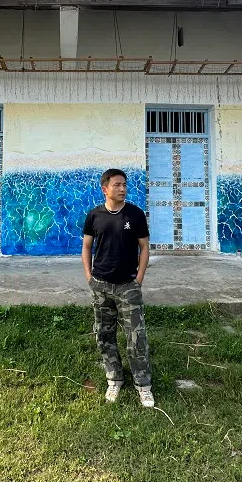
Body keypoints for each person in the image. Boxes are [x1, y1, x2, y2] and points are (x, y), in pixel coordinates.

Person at [81, 168, 154, 407]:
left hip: (128, 286)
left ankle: (143, 385)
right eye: (117, 185)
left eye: (124, 185)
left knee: (137, 337)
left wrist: (139, 279)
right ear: (105, 189)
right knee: (104, 334)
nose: (122, 189)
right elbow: (86, 247)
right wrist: (90, 276)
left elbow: (144, 247)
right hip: (101, 285)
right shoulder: (94, 216)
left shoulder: (135, 214)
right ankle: (114, 378)